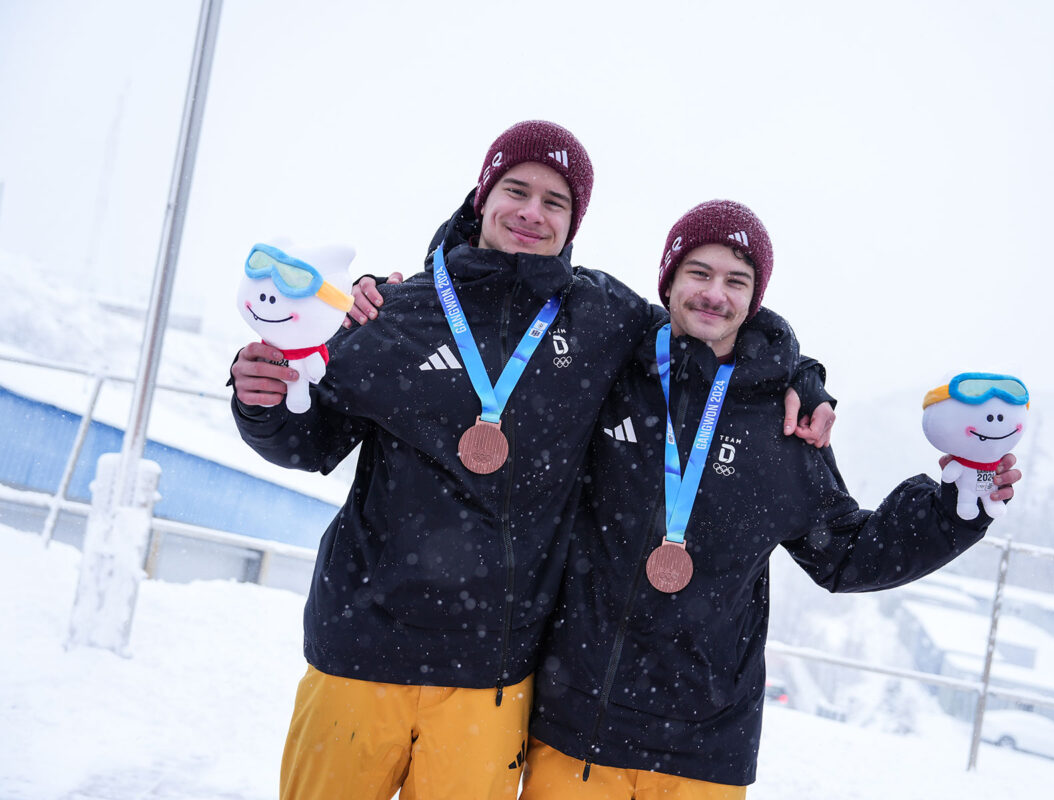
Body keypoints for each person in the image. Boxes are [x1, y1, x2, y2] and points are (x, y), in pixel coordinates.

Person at [230, 122, 830, 800]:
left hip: (491, 677)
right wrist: (264, 403)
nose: (531, 212)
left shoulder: (602, 320)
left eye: (556, 202)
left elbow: (705, 330)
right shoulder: (400, 310)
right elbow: (309, 441)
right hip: (361, 647)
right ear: (482, 196)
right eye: (516, 190)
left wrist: (797, 371)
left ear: (574, 224)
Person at [516, 200, 1023, 799]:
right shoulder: (613, 372)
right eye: (699, 273)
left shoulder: (781, 424)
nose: (715, 294)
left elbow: (844, 554)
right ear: (669, 280)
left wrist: (950, 511)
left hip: (703, 748)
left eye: (737, 281)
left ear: (754, 300)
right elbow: (519, 297)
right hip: (576, 727)